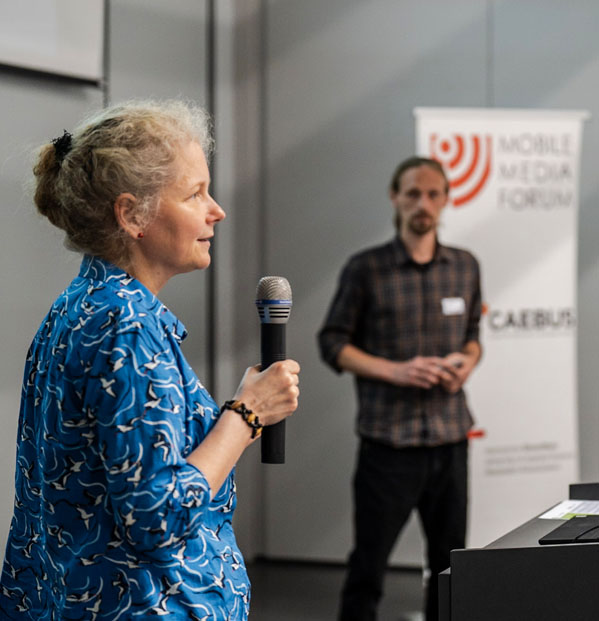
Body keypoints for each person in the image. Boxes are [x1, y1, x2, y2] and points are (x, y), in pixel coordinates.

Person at [0, 100, 300, 620]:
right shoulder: (127, 328)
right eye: (194, 194)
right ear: (132, 214)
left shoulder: (78, 308)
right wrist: (247, 415)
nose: (217, 210)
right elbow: (156, 516)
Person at [318, 156, 482, 621]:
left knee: (449, 567)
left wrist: (466, 363)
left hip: (450, 441)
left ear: (446, 199)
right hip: (388, 444)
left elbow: (473, 337)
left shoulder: (465, 267)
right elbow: (332, 344)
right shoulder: (366, 269)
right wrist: (395, 371)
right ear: (395, 197)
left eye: (433, 193)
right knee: (369, 565)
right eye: (412, 193)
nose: (423, 203)